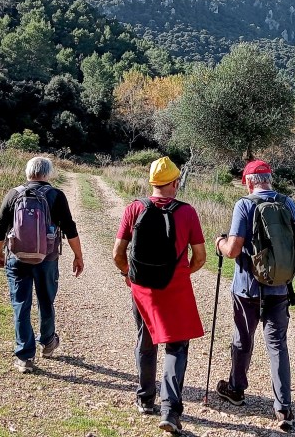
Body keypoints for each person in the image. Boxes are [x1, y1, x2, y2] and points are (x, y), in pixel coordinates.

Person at [113, 157, 207, 434]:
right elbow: (200, 257)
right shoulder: (187, 212)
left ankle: (145, 399)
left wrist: (129, 276)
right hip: (175, 286)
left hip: (142, 288)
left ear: (152, 183)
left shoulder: (134, 208)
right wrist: (181, 274)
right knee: (177, 346)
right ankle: (170, 411)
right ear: (175, 183)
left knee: (145, 337)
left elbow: (117, 254)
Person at [215, 159, 295, 431]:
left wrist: (219, 242)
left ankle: (236, 390)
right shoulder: (288, 204)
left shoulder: (245, 205)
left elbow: (233, 250)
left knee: (242, 338)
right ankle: (283, 408)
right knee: (277, 345)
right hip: (280, 287)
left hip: (247, 288)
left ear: (249, 182)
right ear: (269, 179)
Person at [0, 156, 85, 373]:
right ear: (48, 173)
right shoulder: (55, 195)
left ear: (28, 172)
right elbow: (70, 228)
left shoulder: (13, 194)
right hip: (47, 259)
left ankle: (24, 357)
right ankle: (48, 342)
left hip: (16, 257)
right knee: (46, 300)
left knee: (20, 304)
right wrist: (78, 256)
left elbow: (0, 228)